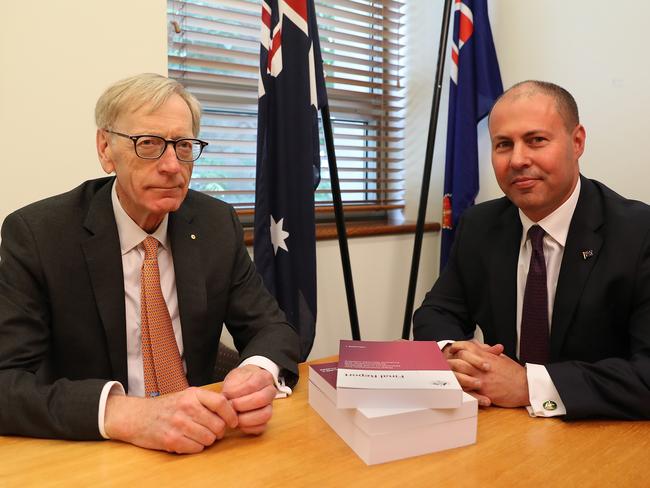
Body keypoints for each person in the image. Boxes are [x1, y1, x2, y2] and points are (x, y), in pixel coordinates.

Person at [0, 73, 301, 452]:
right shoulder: (39, 235)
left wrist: (259, 371)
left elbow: (272, 326)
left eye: (184, 145)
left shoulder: (214, 223)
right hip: (96, 451)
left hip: (204, 438)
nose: (173, 166)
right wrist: (126, 414)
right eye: (149, 144)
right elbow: (6, 382)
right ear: (105, 149)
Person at [413, 80, 650, 420]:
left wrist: (528, 384)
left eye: (536, 140)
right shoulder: (480, 225)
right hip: (503, 430)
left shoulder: (639, 233)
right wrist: (453, 354)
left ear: (577, 141)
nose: (518, 160)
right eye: (503, 145)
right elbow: (436, 313)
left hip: (601, 435)